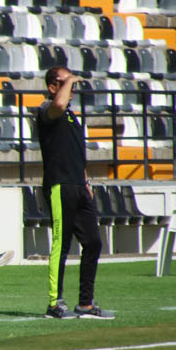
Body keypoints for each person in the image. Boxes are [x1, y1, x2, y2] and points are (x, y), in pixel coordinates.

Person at [37, 66, 114, 320]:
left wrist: (85, 180)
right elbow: (57, 107)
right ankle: (54, 303)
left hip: (79, 186)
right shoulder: (46, 109)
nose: (72, 88)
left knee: (93, 242)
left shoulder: (72, 117)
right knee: (62, 244)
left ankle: (85, 303)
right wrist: (69, 80)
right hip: (59, 185)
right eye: (65, 82)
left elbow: (76, 153)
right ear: (52, 87)